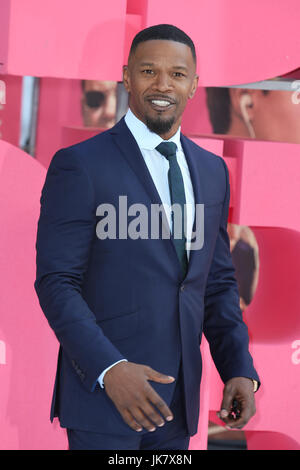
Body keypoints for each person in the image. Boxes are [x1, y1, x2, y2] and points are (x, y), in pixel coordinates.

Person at [34, 24, 260, 451]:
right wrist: (110, 368)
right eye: (148, 71)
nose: (162, 85)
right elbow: (56, 282)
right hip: (105, 403)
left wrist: (238, 368)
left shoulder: (212, 172)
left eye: (177, 74)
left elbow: (216, 284)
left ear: (194, 85)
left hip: (177, 405)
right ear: (127, 76)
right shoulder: (80, 165)